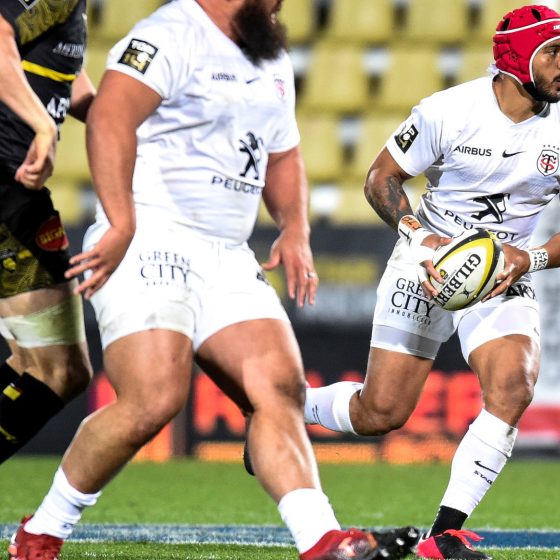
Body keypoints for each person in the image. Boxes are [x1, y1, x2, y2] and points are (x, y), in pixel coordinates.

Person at [7, 1, 417, 559]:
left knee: (278, 390)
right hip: (152, 231)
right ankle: (42, 532)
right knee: (153, 397)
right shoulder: (171, 33)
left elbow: (283, 153)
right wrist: (123, 219)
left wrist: (295, 229)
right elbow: (109, 117)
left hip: (225, 251)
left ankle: (322, 541)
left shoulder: (268, 55)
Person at [292, 5, 560, 559]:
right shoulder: (448, 111)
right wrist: (419, 237)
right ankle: (288, 412)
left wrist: (525, 259)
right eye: (552, 52)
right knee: (381, 413)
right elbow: (380, 178)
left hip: (504, 269)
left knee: (514, 385)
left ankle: (444, 537)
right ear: (514, 60)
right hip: (426, 261)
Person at [0, 0, 96, 464]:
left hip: (16, 193)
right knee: (55, 369)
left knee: (43, 366)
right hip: (6, 186)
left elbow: (61, 76)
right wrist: (41, 124)